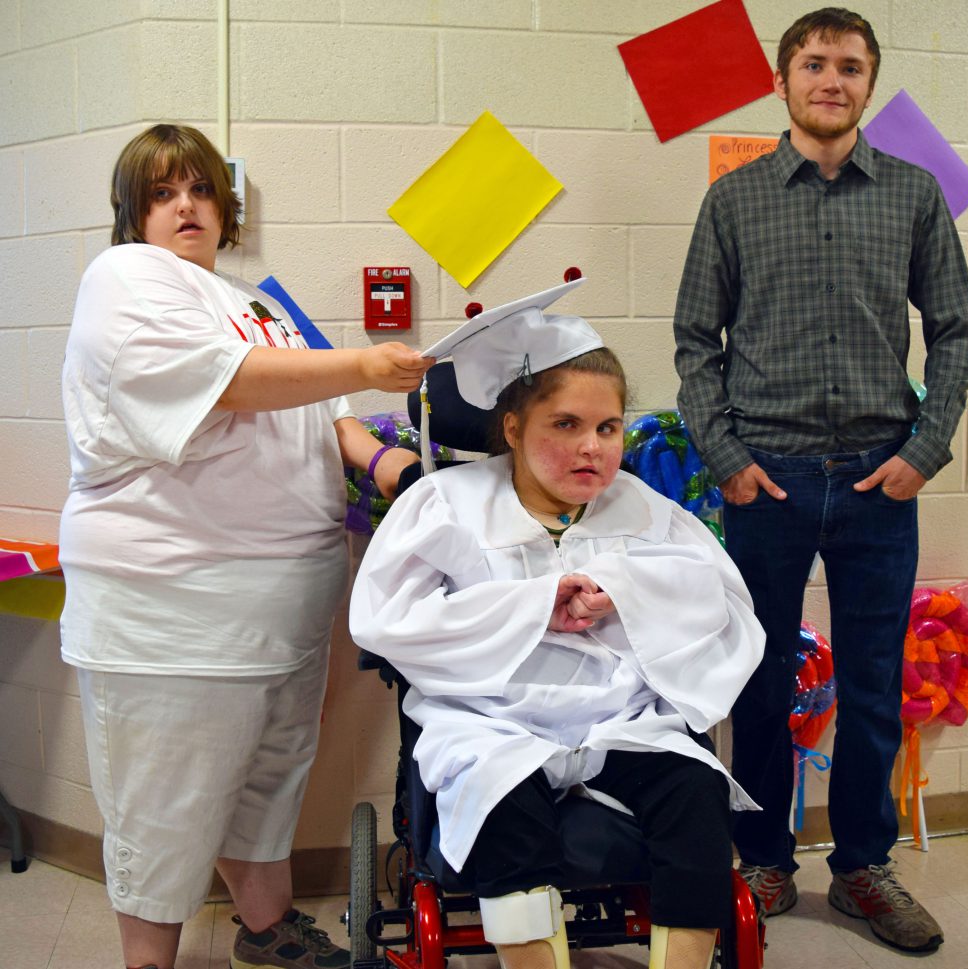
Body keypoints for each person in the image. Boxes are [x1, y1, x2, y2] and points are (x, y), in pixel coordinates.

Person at [58, 123, 433, 969]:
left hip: (282, 604)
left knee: (264, 782)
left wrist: (387, 463)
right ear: (133, 216)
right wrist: (368, 364)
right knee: (164, 804)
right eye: (161, 193)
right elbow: (230, 384)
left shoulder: (256, 299)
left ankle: (267, 931)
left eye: (198, 189)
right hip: (174, 606)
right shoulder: (124, 278)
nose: (185, 205)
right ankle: (147, 959)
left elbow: (318, 412)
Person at [673, 7, 968, 955]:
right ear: (784, 80)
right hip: (767, 478)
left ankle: (861, 869)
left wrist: (925, 450)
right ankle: (763, 857)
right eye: (815, 64)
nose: (831, 80)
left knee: (877, 682)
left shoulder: (916, 196)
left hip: (880, 483)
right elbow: (695, 344)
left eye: (850, 66)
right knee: (759, 677)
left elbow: (957, 332)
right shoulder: (735, 199)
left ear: (868, 84)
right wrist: (727, 459)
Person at [349, 281, 766, 969]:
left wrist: (626, 590)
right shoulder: (446, 506)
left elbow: (717, 596)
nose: (593, 449)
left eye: (607, 428)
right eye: (565, 425)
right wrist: (529, 606)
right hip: (493, 722)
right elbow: (386, 619)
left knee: (696, 791)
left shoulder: (641, 506)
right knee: (502, 801)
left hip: (617, 719)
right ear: (513, 428)